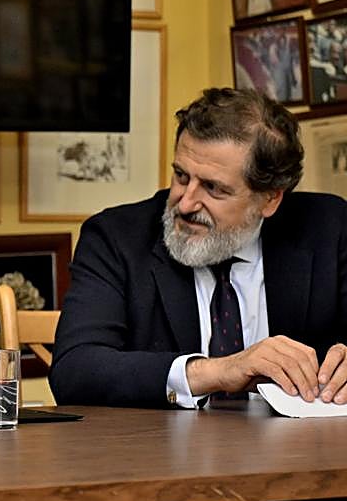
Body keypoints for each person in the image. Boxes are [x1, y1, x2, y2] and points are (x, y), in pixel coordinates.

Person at [51, 87, 347, 409]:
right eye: (181, 176)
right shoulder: (116, 238)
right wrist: (218, 371)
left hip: (301, 453)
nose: (186, 202)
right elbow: (75, 371)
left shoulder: (329, 230)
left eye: (213, 188)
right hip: (160, 453)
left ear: (270, 198)